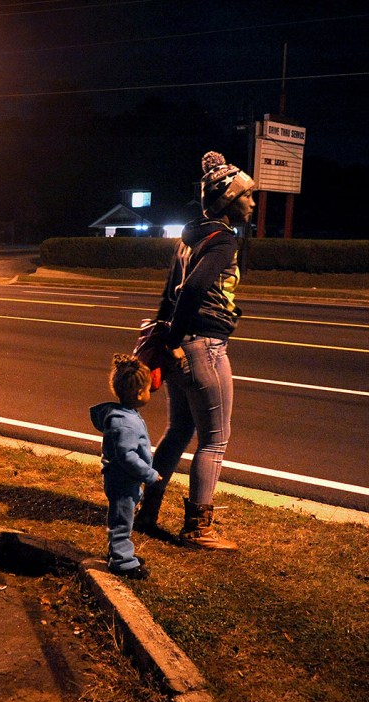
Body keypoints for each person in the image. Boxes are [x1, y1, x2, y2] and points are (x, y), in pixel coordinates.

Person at [136, 151, 254, 551]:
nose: (252, 203)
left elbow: (167, 294)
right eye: (247, 196)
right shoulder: (222, 241)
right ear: (228, 199)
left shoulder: (190, 239)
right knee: (215, 440)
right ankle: (198, 528)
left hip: (182, 344)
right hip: (204, 346)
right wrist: (173, 345)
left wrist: (166, 342)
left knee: (179, 431)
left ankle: (145, 510)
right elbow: (190, 290)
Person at [89, 354, 162, 578]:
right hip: (122, 479)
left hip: (124, 478)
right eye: (149, 389)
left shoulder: (125, 415)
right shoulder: (126, 422)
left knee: (122, 516)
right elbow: (127, 456)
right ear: (140, 393)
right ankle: (122, 562)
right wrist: (149, 474)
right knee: (122, 521)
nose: (150, 393)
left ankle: (118, 554)